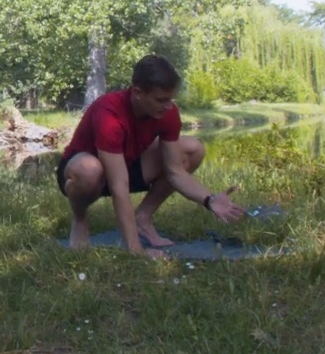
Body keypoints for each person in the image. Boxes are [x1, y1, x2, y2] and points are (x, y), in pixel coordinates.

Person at [57, 55, 245, 256]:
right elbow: (119, 186)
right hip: (82, 172)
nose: (168, 106)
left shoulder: (167, 112)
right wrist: (136, 250)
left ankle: (143, 217)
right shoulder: (109, 113)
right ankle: (80, 219)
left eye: (170, 99)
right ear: (138, 92)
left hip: (128, 163)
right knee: (89, 169)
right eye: (161, 100)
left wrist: (210, 199)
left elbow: (174, 171)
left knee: (192, 149)